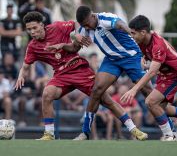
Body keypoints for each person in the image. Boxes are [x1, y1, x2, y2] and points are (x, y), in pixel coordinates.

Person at [15, 11, 147, 141]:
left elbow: (77, 24)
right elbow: (25, 65)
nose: (32, 32)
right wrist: (21, 75)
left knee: (107, 101)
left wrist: (77, 35)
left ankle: (133, 129)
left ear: (42, 25)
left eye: (34, 28)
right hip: (61, 75)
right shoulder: (32, 47)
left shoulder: (57, 27)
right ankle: (49, 134)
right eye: (29, 29)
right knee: (47, 94)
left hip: (79, 70)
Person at [73, 5, 151, 140]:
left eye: (87, 24)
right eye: (83, 26)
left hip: (131, 56)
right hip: (112, 60)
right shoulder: (84, 29)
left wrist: (133, 35)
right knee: (96, 90)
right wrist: (72, 37)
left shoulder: (105, 18)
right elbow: (74, 47)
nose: (86, 28)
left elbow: (121, 24)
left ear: (92, 16)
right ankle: (85, 132)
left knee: (149, 93)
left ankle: (172, 127)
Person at [121, 15, 177, 141]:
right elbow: (147, 57)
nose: (132, 36)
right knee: (163, 109)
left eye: (133, 33)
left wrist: (134, 90)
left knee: (150, 102)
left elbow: (152, 72)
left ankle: (170, 135)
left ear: (143, 32)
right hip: (164, 75)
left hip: (175, 75)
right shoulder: (142, 40)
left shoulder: (158, 45)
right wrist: (144, 60)